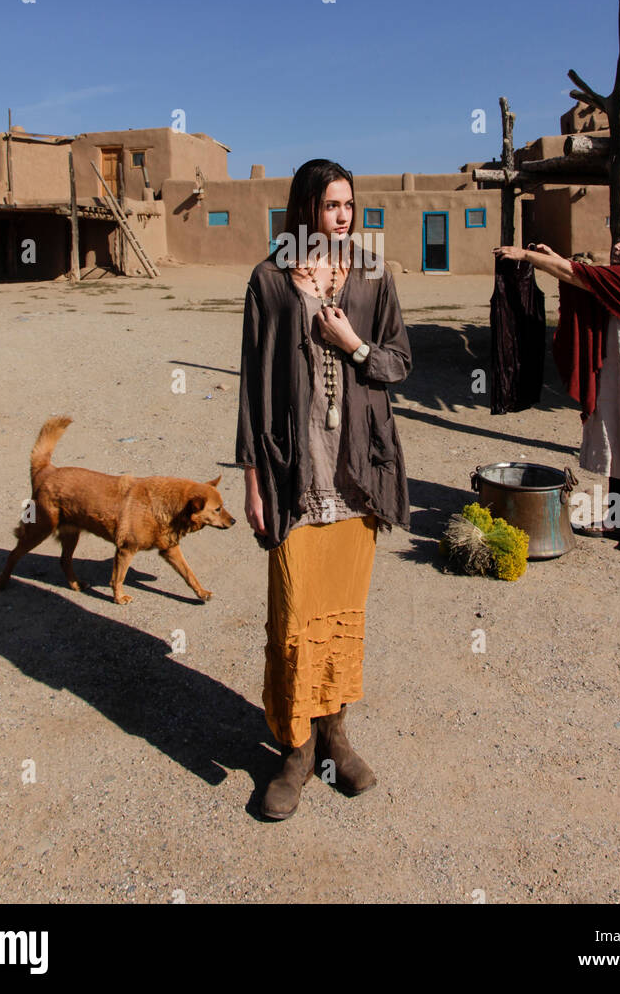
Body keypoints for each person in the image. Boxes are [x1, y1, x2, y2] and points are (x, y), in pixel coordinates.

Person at [236, 159, 411, 819]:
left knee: (341, 619)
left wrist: (353, 343)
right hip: (293, 476)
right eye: (329, 205)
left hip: (356, 479)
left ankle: (335, 737)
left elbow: (399, 361)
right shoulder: (270, 279)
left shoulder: (370, 273)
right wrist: (253, 479)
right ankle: (295, 749)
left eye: (348, 205)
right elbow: (254, 384)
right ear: (304, 210)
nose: (341, 216)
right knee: (292, 621)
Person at [493, 228, 620, 553]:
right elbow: (583, 276)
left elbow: (578, 275)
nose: (618, 246)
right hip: (618, 368)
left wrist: (529, 256)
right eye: (618, 241)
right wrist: (553, 257)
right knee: (618, 441)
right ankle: (618, 520)